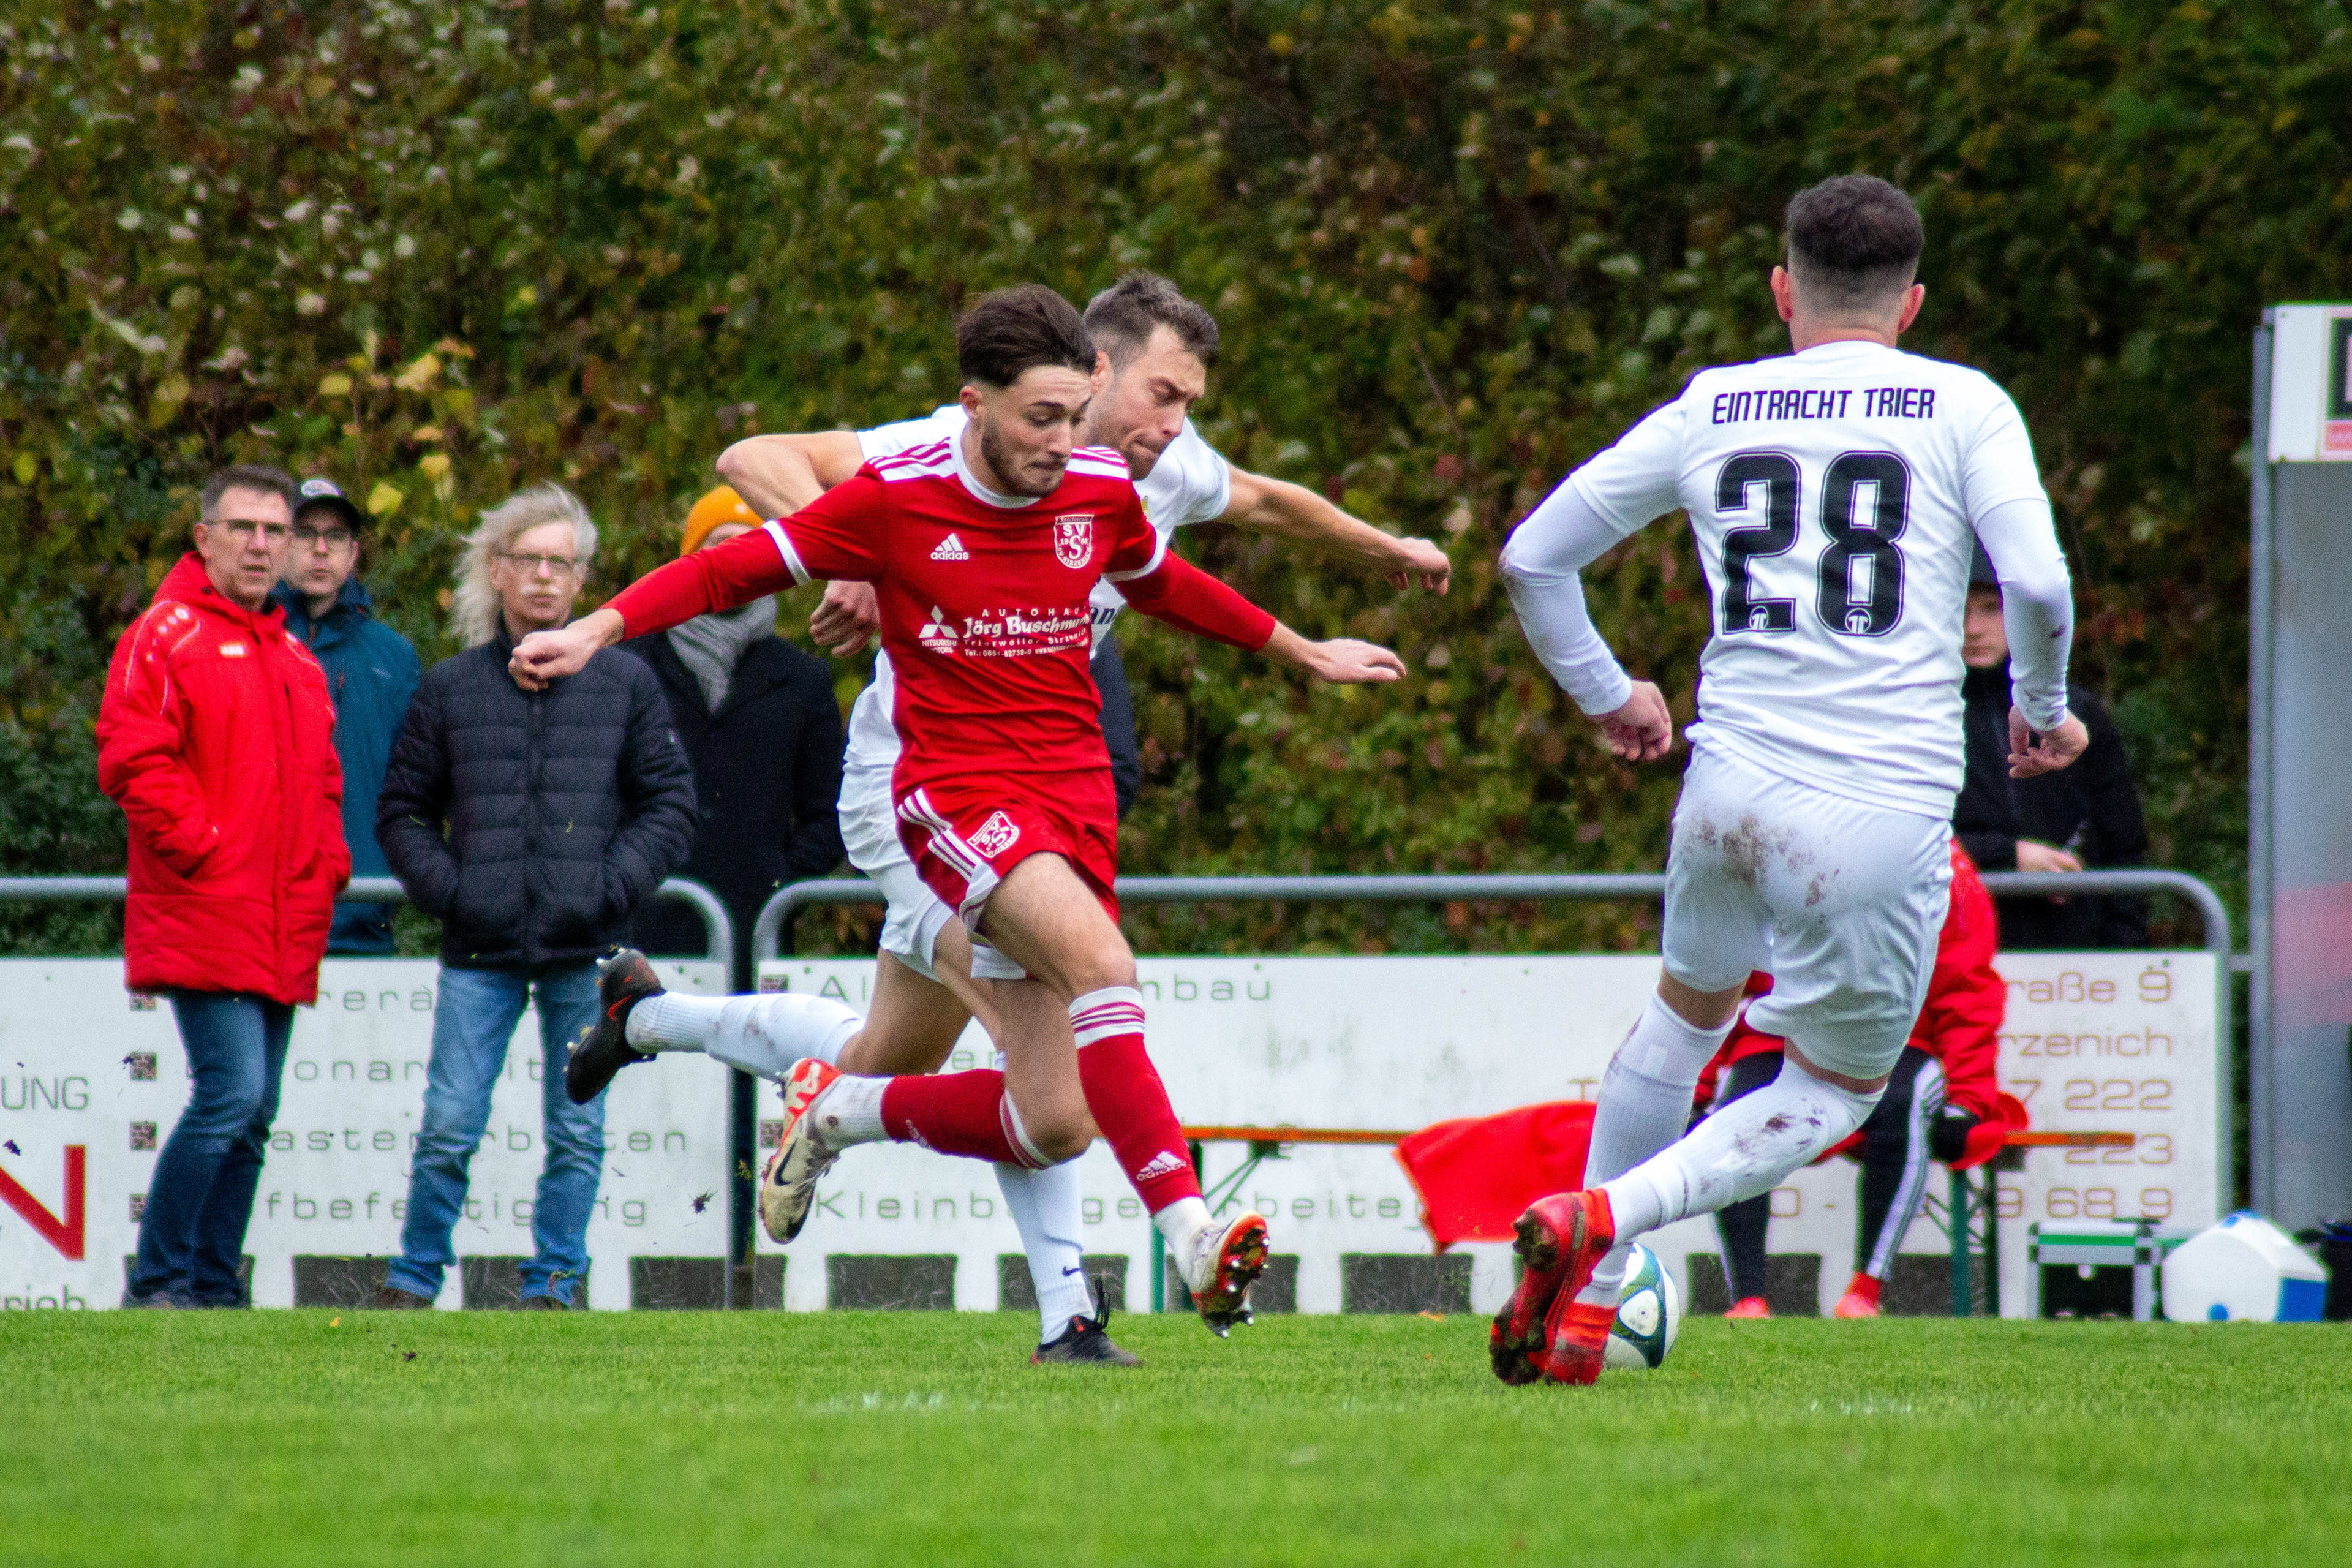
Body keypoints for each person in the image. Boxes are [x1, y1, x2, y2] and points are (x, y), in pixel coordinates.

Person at [564, 271, 1445, 1363]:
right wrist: (600, 626)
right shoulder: (906, 483)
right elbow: (735, 547)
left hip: (1065, 794)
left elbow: (1172, 577)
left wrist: (1306, 648)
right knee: (1104, 973)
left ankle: (746, 1066)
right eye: (1051, 417)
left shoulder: (1107, 479)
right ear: (977, 404)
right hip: (937, 793)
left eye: (1078, 418)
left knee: (1032, 1109)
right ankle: (1177, 1246)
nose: (1079, 439)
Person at [1493, 173, 2087, 1384]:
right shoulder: (1962, 405)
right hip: (1876, 806)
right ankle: (1602, 1223)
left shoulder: (1717, 404)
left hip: (1726, 789)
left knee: (1682, 1013)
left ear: (1782, 290)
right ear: (1912, 302)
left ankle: (1587, 1308)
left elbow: (1532, 555)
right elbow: (2036, 584)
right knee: (1835, 1086)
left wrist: (1613, 692)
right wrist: (2040, 712)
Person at [371, 484, 696, 1310]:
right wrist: (456, 893)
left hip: (583, 953)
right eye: (531, 560)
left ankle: (553, 1282)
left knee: (577, 1131)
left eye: (563, 562)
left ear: (582, 580)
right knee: (449, 1126)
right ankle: (413, 1282)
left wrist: (607, 889)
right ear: (498, 569)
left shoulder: (626, 684)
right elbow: (403, 811)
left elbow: (669, 804)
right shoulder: (450, 688)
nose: (547, 577)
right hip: (475, 950)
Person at [97, 463, 349, 1307]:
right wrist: (205, 849)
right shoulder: (165, 633)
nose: (260, 544)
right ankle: (159, 1280)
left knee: (255, 1112)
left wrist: (327, 865)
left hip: (282, 914)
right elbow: (132, 758)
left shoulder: (294, 657)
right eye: (242, 528)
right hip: (207, 906)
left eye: (274, 531)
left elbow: (323, 783)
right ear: (203, 538)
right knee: (232, 1095)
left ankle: (211, 1288)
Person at [1698, 841, 2005, 1319]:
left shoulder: (1944, 869)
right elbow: (1715, 974)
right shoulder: (1763, 849)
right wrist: (1696, 1094)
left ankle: (1865, 1292)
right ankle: (1748, 1298)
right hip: (1777, 1035)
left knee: (1902, 1104)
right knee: (1735, 1116)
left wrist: (1967, 1100)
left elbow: (1967, 990)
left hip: (1895, 1035)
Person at [623, 485, 846, 984]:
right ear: (690, 560)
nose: (734, 560)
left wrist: (781, 881)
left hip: (758, 929)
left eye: (754, 546)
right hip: (643, 920)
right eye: (717, 544)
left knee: (748, 1061)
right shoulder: (628, 667)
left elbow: (830, 810)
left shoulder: (803, 681)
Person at [1955, 546, 2150, 949]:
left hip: (2071, 961)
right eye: (1959, 609)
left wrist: (2125, 952)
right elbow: (1890, 840)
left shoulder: (2073, 713)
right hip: (1952, 947)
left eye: (1993, 608)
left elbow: (2123, 843)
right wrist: (2005, 857)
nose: (1972, 628)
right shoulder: (1917, 713)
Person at [271, 477, 422, 955]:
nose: (320, 550)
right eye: (305, 533)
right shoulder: (245, 639)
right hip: (260, 919)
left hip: (362, 914)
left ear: (353, 553)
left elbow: (414, 788)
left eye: (334, 537)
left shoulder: (394, 657)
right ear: (280, 545)